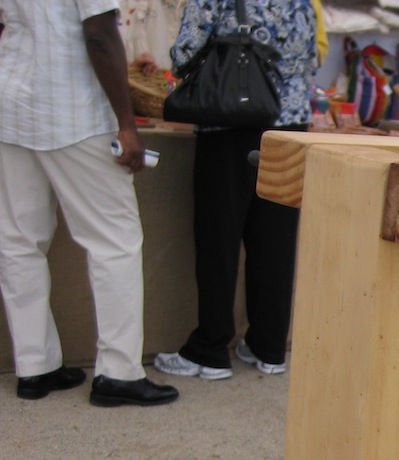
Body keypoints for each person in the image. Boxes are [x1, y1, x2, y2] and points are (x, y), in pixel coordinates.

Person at [0, 0, 179, 406]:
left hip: (11, 103)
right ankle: (119, 372)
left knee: (19, 240)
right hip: (71, 109)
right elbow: (98, 33)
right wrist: (127, 123)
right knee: (114, 240)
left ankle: (35, 366)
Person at [153, 0, 317, 382]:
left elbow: (184, 54)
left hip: (230, 120)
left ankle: (210, 348)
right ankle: (268, 346)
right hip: (290, 125)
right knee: (276, 240)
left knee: (218, 238)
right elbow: (310, 58)